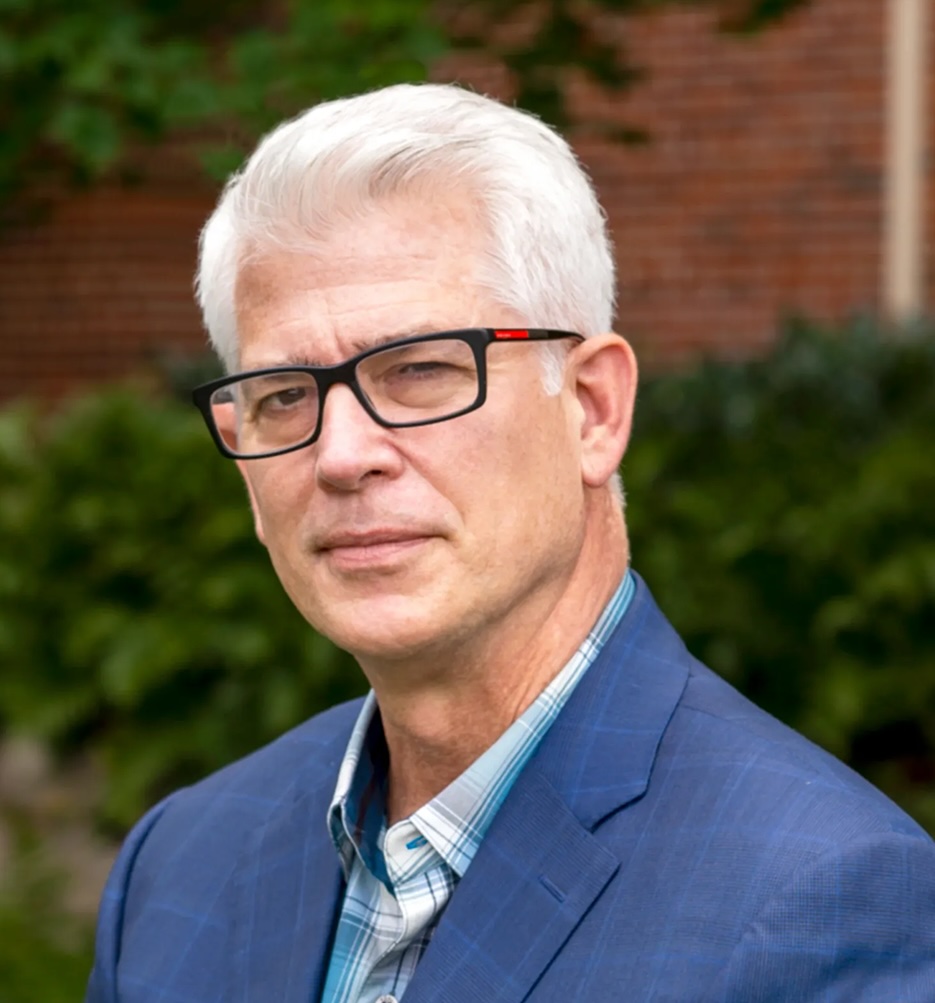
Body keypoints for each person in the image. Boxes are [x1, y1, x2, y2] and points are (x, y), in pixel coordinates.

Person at [86, 83, 935, 1003]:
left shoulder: (820, 896)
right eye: (284, 394)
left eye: (418, 370)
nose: (340, 455)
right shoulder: (178, 867)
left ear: (592, 410)